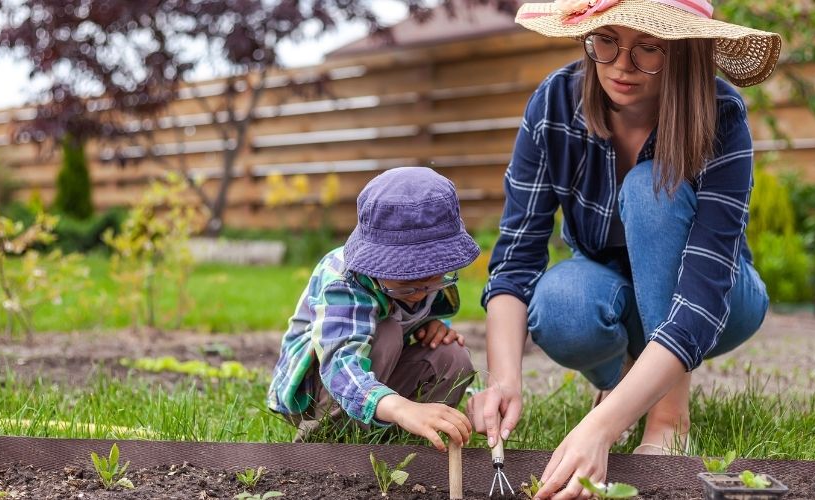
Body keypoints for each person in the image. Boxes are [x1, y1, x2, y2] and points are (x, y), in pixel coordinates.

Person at [466, 0, 781, 497]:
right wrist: (504, 381)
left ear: (684, 48)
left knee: (651, 188)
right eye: (606, 41)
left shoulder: (721, 116)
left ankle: (668, 418)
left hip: (720, 300)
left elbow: (701, 298)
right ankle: (629, 382)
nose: (620, 65)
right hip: (609, 289)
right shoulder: (555, 104)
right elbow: (516, 260)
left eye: (648, 48)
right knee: (561, 306)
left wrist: (602, 428)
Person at [267, 166, 481, 452]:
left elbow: (418, 312)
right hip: (323, 387)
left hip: (380, 380)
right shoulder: (343, 282)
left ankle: (399, 444)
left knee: (454, 358)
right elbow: (341, 365)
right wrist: (401, 407)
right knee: (388, 332)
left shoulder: (425, 285)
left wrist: (430, 327)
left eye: (431, 283)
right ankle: (326, 441)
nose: (419, 294)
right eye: (406, 286)